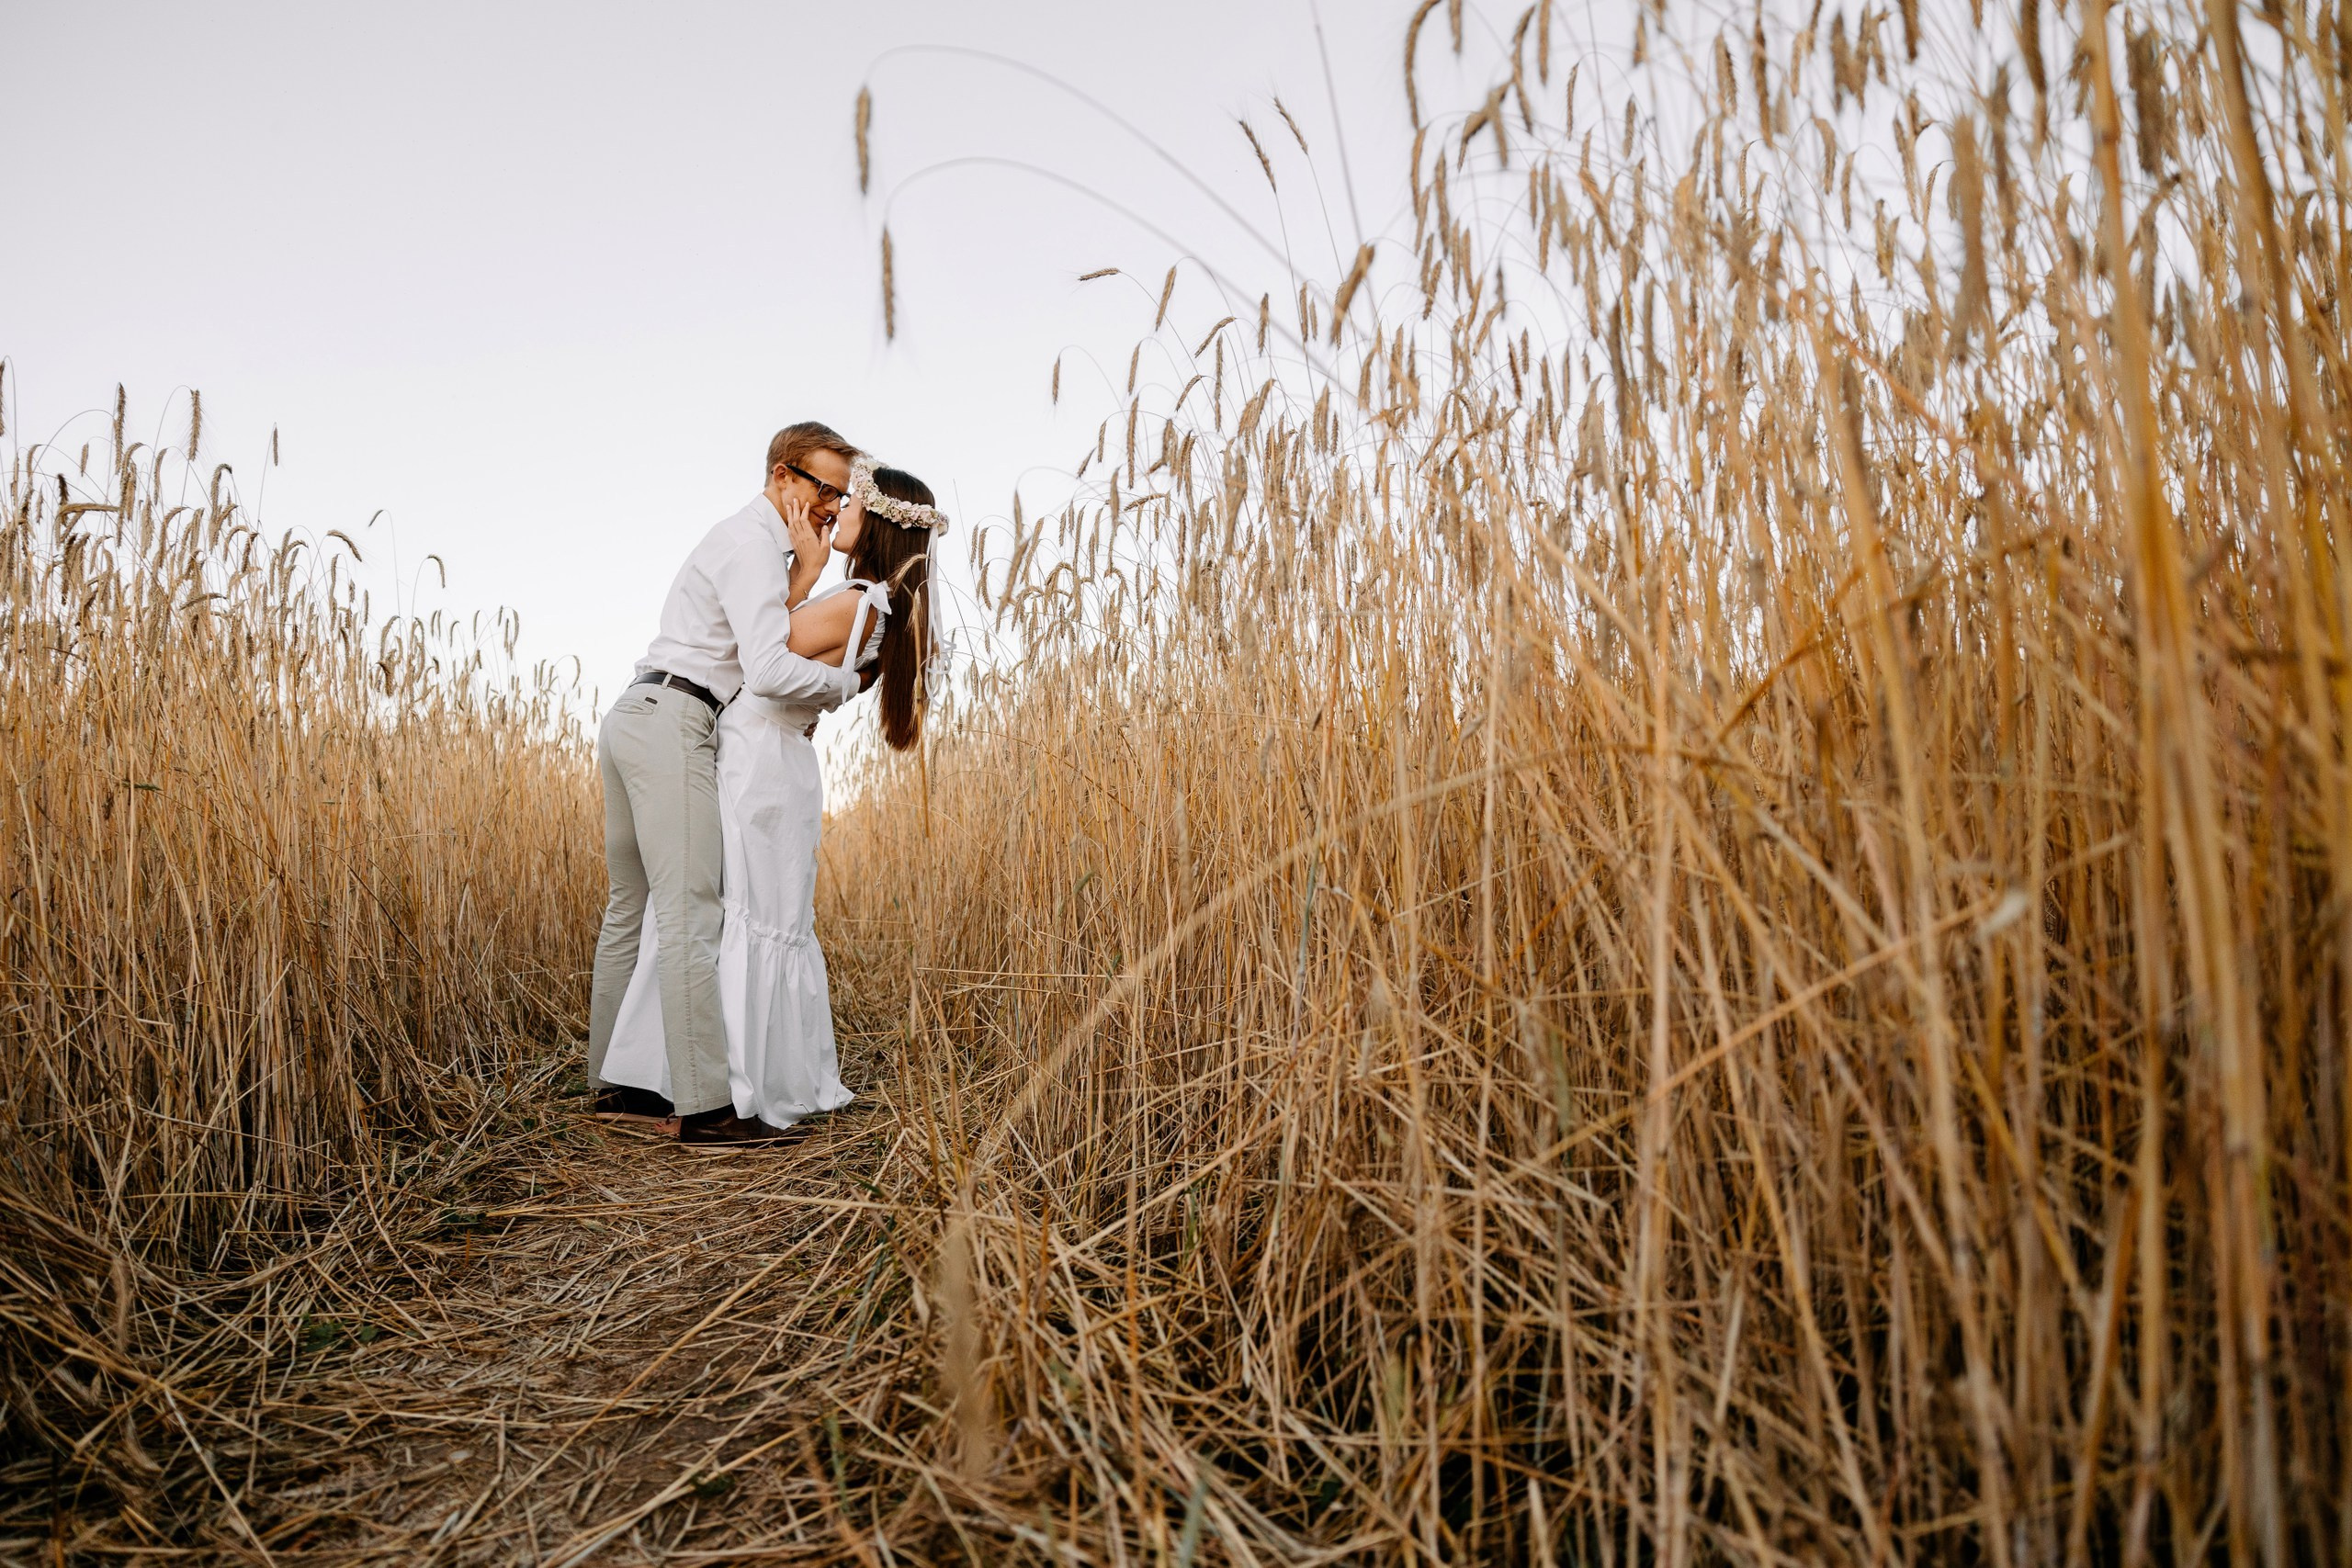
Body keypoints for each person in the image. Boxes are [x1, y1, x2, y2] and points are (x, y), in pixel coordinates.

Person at [597, 458, 944, 1143]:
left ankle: (720, 1089)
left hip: (755, 764)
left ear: (878, 522)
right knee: (748, 913)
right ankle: (699, 1079)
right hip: (772, 762)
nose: (837, 511)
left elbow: (761, 657)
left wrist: (804, 574)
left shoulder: (856, 600)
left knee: (734, 913)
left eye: (852, 503)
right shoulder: (874, 605)